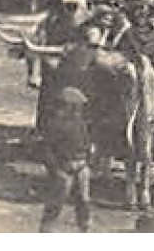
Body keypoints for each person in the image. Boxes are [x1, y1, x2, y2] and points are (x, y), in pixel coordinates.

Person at [39, 86, 93, 232]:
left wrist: (87, 162)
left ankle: (84, 228)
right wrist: (57, 169)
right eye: (74, 107)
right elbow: (47, 150)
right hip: (64, 168)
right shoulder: (54, 125)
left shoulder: (81, 123)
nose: (78, 110)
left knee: (84, 202)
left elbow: (87, 145)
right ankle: (46, 230)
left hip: (81, 167)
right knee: (56, 202)